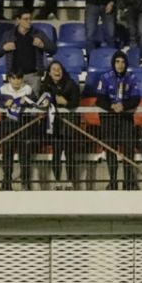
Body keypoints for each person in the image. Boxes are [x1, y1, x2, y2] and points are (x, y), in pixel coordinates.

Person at [94, 50, 142, 191]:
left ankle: (128, 182)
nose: (120, 65)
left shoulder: (132, 78)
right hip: (109, 119)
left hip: (126, 119)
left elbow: (135, 99)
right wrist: (111, 106)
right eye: (117, 62)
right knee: (110, 150)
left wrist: (123, 106)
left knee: (128, 150)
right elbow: (99, 99)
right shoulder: (104, 77)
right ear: (113, 63)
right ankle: (113, 181)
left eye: (122, 62)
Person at [41, 58, 89, 188]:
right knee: (56, 153)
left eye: (59, 69)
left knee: (70, 154)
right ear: (49, 73)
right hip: (55, 125)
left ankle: (71, 182)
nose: (57, 71)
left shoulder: (71, 84)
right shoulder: (45, 85)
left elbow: (76, 102)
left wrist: (66, 103)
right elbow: (42, 101)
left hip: (69, 124)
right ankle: (57, 181)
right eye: (54, 69)